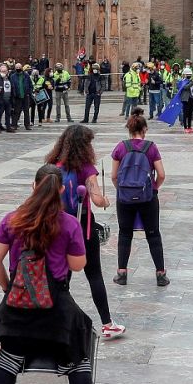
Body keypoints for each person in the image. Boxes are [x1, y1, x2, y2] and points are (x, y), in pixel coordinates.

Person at [0, 164, 108, 384]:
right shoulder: (68, 223)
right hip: (56, 309)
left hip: (16, 307)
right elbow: (78, 265)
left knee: (9, 358)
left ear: (33, 186)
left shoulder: (12, 219)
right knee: (77, 359)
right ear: (62, 190)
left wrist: (7, 289)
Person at [45, 123, 125, 340]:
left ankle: (55, 323)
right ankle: (107, 324)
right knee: (94, 275)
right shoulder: (87, 169)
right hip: (82, 227)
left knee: (62, 277)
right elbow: (97, 199)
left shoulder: (53, 166)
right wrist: (105, 200)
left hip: (56, 227)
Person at [110, 113, 167, 287]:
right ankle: (160, 275)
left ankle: (122, 273)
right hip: (147, 197)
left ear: (129, 129)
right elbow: (162, 174)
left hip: (125, 198)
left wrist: (122, 190)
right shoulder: (151, 148)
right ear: (144, 130)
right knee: (153, 234)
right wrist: (154, 188)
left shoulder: (121, 147)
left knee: (125, 233)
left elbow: (114, 176)